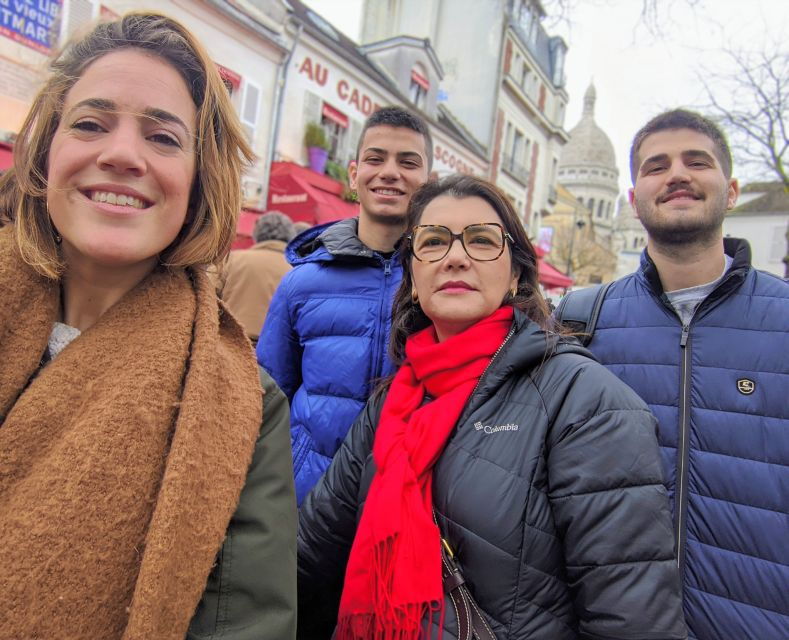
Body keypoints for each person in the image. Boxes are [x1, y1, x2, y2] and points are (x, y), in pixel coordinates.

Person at [0, 13, 296, 640]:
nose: (121, 154)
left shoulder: (246, 407)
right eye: (89, 124)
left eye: (163, 138)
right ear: (45, 153)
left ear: (199, 178)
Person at [297, 175, 687, 640]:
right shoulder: (392, 401)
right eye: (433, 241)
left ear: (516, 276)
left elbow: (631, 617)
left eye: (482, 241)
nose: (456, 256)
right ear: (414, 277)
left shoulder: (584, 401)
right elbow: (312, 546)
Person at [565, 110, 789, 639]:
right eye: (656, 165)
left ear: (731, 190)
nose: (677, 175)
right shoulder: (579, 322)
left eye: (697, 161)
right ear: (633, 197)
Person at [257, 106, 432, 505]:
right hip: (305, 498)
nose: (389, 172)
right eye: (375, 158)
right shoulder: (301, 283)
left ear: (428, 183)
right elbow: (267, 399)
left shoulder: (442, 282)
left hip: (405, 503)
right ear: (354, 175)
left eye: (408, 162)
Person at [215, 210, 295, 344]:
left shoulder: (230, 260)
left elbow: (206, 297)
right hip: (276, 350)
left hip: (228, 345)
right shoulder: (296, 269)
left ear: (256, 234)